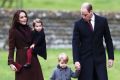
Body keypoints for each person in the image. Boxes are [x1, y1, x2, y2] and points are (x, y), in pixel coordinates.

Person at [72, 2, 114, 80]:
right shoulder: (78, 24)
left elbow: (108, 39)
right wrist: (76, 60)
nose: (83, 17)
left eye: (85, 14)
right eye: (81, 14)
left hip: (100, 59)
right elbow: (75, 44)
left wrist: (111, 57)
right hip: (85, 60)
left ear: (91, 12)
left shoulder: (102, 21)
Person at [8, 10, 44, 80]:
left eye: (25, 16)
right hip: (21, 58)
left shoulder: (30, 29)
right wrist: (11, 62)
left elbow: (37, 42)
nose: (24, 18)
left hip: (32, 57)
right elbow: (11, 48)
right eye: (21, 17)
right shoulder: (13, 30)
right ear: (17, 19)